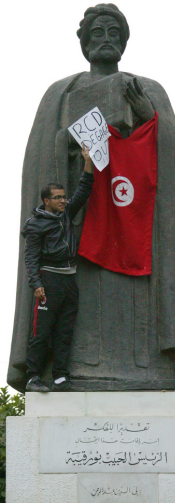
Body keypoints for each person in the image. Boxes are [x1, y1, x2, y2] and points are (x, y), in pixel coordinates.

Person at [8, 3, 175, 393]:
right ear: (83, 43)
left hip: (132, 219)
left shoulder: (147, 89)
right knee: (76, 308)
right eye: (97, 33)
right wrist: (68, 140)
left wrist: (148, 116)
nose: (104, 40)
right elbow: (39, 163)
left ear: (124, 42)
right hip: (78, 221)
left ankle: (151, 370)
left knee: (132, 298)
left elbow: (172, 158)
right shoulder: (60, 93)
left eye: (113, 34)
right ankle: (66, 370)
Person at [23, 145, 94, 392]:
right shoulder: (35, 225)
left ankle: (61, 377)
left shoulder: (65, 214)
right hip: (48, 280)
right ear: (46, 201)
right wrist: (37, 284)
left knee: (65, 331)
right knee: (42, 332)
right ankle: (33, 377)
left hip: (70, 280)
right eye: (58, 197)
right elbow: (30, 257)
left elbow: (84, 191)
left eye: (64, 197)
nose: (64, 200)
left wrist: (88, 161)